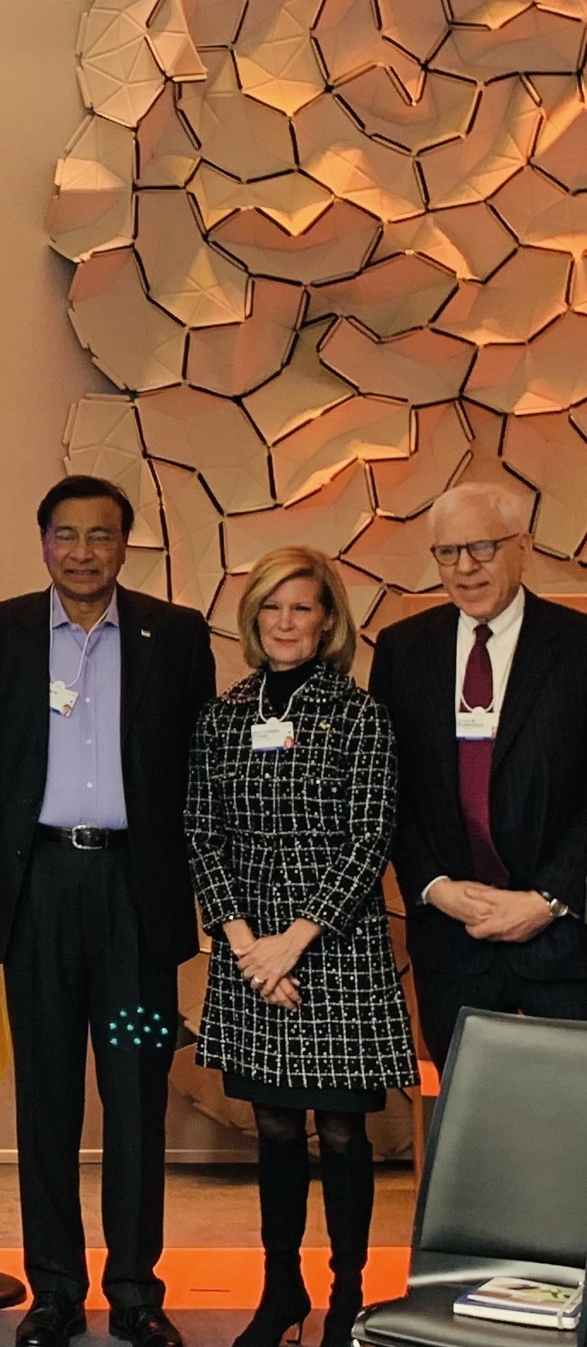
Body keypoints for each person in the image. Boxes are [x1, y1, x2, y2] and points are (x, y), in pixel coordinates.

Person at [0, 474, 215, 1347]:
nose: (82, 552)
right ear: (43, 543)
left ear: (124, 545)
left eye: (100, 536)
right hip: (40, 890)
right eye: (65, 535)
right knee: (49, 1098)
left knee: (136, 1096)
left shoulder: (175, 635)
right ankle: (56, 1289)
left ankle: (136, 1290)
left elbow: (200, 769)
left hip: (136, 895)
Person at [186, 546, 416, 1347]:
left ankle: (348, 1297)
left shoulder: (360, 716)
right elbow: (201, 834)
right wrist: (247, 946)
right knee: (277, 1129)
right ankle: (281, 1290)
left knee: (345, 1134)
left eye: (302, 608)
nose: (286, 622)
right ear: (254, 618)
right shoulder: (223, 717)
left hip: (336, 951)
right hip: (249, 953)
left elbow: (370, 837)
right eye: (272, 607)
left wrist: (293, 943)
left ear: (327, 622)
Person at [368, 482, 587, 1061]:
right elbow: (386, 789)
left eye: (483, 547)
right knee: (469, 1108)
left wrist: (548, 899)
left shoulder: (579, 646)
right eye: (448, 552)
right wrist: (435, 887)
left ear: (524, 546)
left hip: (564, 942)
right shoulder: (402, 649)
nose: (465, 567)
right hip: (451, 943)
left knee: (567, 1112)